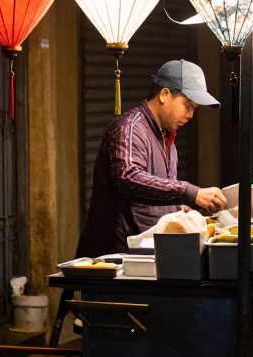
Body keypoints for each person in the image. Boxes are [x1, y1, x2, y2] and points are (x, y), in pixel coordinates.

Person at [76, 59, 228, 258]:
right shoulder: (129, 128)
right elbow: (129, 178)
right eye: (187, 105)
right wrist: (189, 191)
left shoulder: (168, 139)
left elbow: (157, 194)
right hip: (114, 259)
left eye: (194, 109)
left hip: (149, 254)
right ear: (164, 94)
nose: (190, 115)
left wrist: (183, 207)